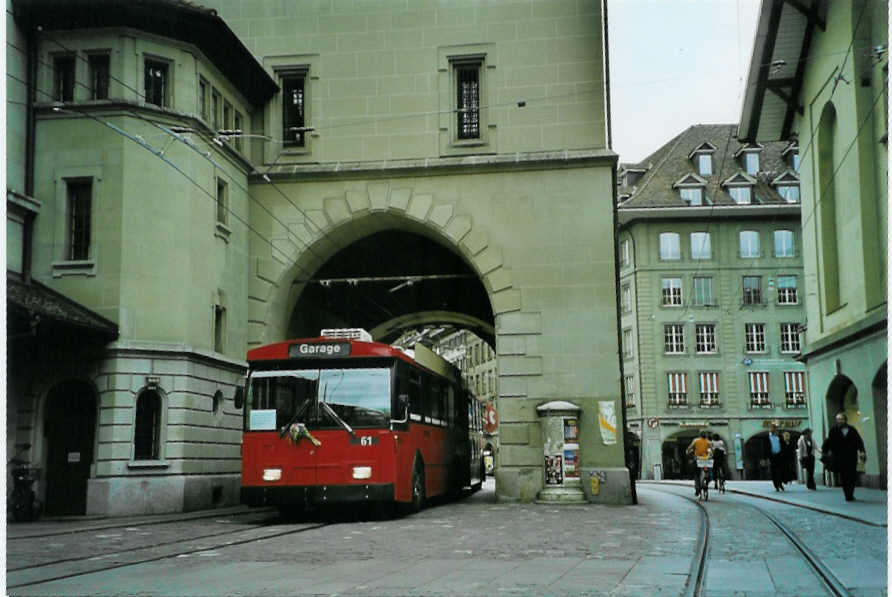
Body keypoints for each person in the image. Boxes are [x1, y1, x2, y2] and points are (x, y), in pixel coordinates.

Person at [822, 413, 866, 501]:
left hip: (851, 456)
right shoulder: (834, 430)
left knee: (852, 475)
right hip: (840, 457)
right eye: (838, 419)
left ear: (845, 420)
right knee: (844, 476)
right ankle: (848, 495)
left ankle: (851, 492)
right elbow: (829, 441)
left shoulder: (851, 429)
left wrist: (862, 451)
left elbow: (859, 441)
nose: (839, 421)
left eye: (841, 419)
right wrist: (825, 451)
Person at [686, 430, 713, 497]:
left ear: (700, 435)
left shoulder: (696, 440)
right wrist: (710, 455)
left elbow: (690, 448)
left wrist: (688, 451)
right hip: (706, 459)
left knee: (696, 474)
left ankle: (697, 489)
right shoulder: (708, 442)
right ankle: (706, 482)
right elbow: (712, 450)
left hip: (698, 459)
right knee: (709, 471)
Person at [767, 423, 786, 491]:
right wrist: (766, 458)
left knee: (780, 471)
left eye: (775, 429)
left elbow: (783, 445)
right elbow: (766, 448)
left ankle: (780, 484)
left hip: (779, 456)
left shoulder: (779, 437)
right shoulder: (767, 437)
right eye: (773, 428)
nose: (775, 430)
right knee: (774, 472)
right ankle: (776, 485)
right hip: (772, 456)